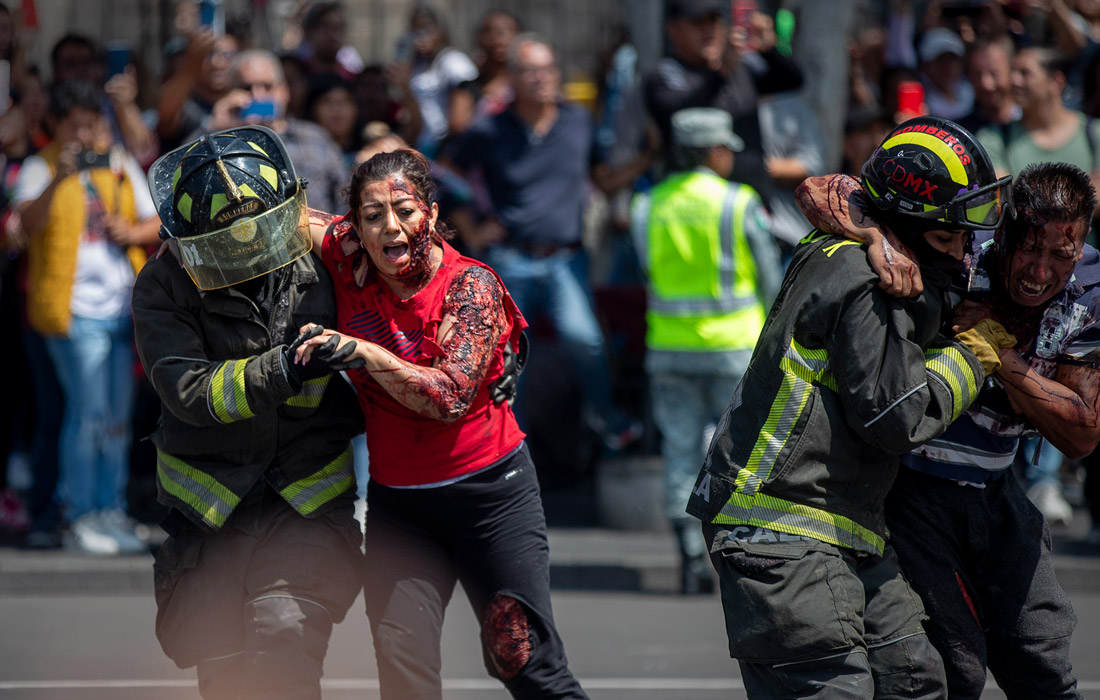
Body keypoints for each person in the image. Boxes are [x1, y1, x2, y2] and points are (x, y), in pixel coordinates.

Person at [686, 116, 1011, 698]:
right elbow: (897, 415)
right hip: (780, 529)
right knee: (833, 690)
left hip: (844, 527)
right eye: (947, 237)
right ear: (907, 227)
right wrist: (974, 353)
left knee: (913, 681)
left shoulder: (869, 245)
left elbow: (832, 189)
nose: (963, 252)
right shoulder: (865, 278)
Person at [294, 147, 589, 700]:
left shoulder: (471, 285)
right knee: (403, 675)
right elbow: (279, 216)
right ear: (354, 224)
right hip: (401, 510)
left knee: (524, 663)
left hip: (491, 501)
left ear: (430, 211)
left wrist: (364, 353)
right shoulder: (349, 250)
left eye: (404, 210)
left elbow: (449, 396)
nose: (391, 227)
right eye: (373, 215)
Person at [797, 160, 1098, 699]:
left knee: (1044, 661)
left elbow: (1082, 433)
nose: (1038, 270)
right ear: (1004, 229)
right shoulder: (962, 244)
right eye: (1029, 247)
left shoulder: (1089, 293)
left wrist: (998, 355)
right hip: (912, 487)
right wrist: (874, 236)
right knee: (952, 667)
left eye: (1060, 254)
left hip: (998, 491)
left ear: (1081, 247)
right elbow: (820, 189)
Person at [133, 125, 363, 698]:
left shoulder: (330, 255)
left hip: (304, 499)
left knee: (285, 637)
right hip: (211, 509)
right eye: (224, 240)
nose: (250, 249)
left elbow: (421, 272)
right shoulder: (165, 283)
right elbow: (188, 389)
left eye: (262, 225)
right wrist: (284, 368)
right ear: (187, 238)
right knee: (226, 672)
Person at [445, 33, 641, 449]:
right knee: (514, 360)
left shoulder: (578, 122)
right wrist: (474, 227)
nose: (542, 78)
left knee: (584, 339)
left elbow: (604, 181)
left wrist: (647, 158)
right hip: (511, 258)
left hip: (566, 258)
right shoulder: (490, 130)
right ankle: (510, 447)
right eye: (531, 71)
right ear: (512, 77)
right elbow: (445, 174)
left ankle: (606, 418)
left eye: (548, 69)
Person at [630, 107, 781, 594]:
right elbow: (770, 277)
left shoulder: (648, 205)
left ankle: (689, 557)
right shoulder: (738, 202)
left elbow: (647, 271)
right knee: (742, 450)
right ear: (714, 152)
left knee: (678, 446)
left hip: (669, 347)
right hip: (735, 347)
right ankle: (737, 549)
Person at [13, 79, 161, 554]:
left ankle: (108, 509)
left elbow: (156, 219)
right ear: (56, 125)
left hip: (121, 309)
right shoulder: (40, 167)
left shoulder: (116, 163)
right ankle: (78, 516)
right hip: (72, 313)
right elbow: (23, 226)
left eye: (93, 124)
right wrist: (61, 175)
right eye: (76, 126)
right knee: (88, 415)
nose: (87, 135)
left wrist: (131, 230)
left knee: (115, 419)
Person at [643, 0, 803, 203]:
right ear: (673, 30)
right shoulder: (667, 74)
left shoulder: (740, 67)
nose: (708, 30)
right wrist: (720, 72)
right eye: (697, 22)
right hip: (696, 207)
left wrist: (769, 48)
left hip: (750, 202)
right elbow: (676, 113)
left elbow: (793, 80)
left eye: (714, 21)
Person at [199, 49, 347, 214]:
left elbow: (344, 199)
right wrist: (215, 127)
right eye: (247, 88)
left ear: (284, 91)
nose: (258, 96)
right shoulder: (219, 139)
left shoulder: (315, 137)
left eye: (267, 87)